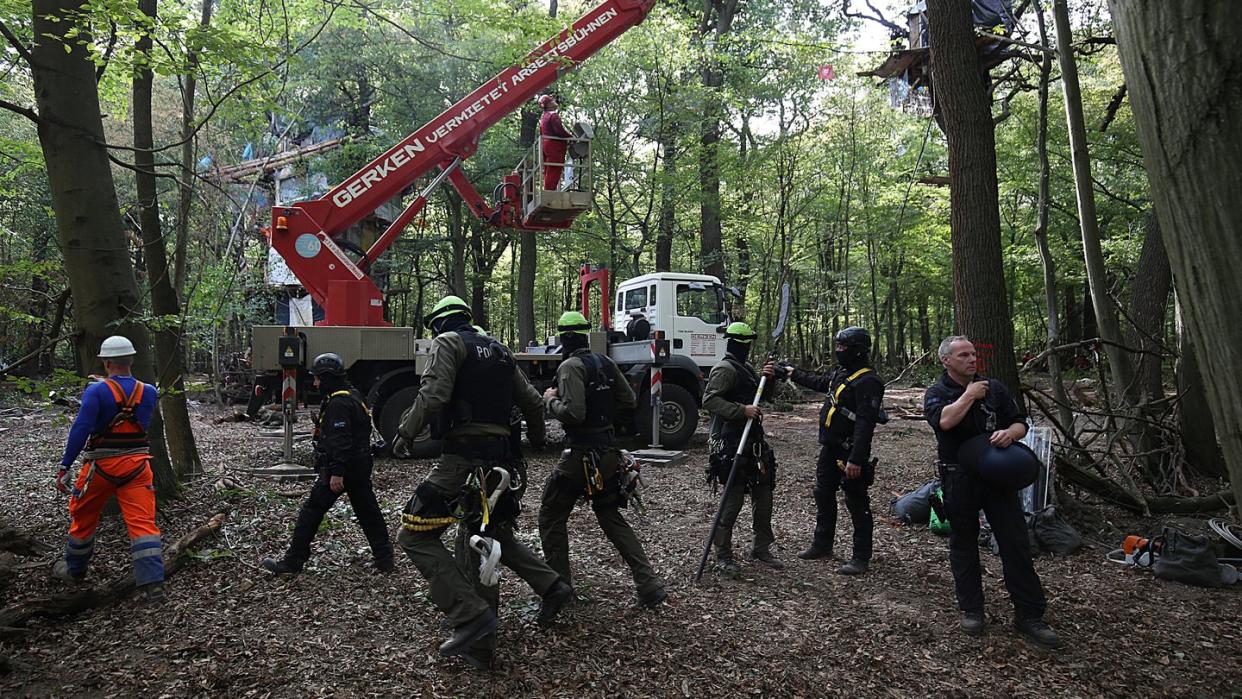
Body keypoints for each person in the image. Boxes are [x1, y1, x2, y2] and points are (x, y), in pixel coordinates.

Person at [393, 295, 573, 668]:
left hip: (460, 461)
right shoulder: (502, 352)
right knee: (493, 536)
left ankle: (474, 624)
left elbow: (434, 394)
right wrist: (537, 441)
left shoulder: (448, 343)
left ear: (440, 323)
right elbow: (533, 404)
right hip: (501, 462)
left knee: (416, 535)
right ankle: (551, 585)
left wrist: (406, 432)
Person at [923, 335, 1062, 649]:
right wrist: (969, 395)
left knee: (1015, 542)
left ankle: (1029, 615)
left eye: (973, 354)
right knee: (964, 543)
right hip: (959, 478)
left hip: (997, 477)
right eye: (963, 355)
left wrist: (1010, 434)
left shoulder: (995, 388)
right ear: (946, 360)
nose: (972, 360)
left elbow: (1020, 422)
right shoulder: (938, 393)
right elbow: (944, 422)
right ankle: (972, 610)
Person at [538, 311, 666, 609]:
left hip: (580, 456)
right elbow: (629, 400)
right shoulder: (605, 363)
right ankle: (648, 583)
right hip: (608, 454)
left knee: (551, 515)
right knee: (609, 514)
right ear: (585, 335)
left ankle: (559, 588)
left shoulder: (570, 367)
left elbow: (573, 414)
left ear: (563, 337)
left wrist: (550, 400)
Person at [52, 335, 164, 602]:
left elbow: (81, 429)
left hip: (100, 467)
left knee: (83, 516)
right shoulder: (148, 391)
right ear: (132, 359)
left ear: (105, 363)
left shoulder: (96, 391)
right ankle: (152, 585)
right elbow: (140, 422)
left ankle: (75, 569)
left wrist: (65, 464)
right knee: (143, 524)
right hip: (137, 466)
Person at [262, 353, 393, 575]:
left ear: (328, 378)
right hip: (360, 466)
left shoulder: (340, 404)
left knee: (311, 512)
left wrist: (337, 473)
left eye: (318, 379)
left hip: (344, 469)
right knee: (368, 512)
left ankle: (292, 562)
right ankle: (385, 559)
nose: (315, 383)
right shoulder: (353, 395)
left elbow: (342, 441)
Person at [776, 327, 884, 575]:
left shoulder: (869, 381)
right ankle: (822, 544)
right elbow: (820, 382)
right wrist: (792, 373)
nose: (838, 352)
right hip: (830, 448)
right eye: (837, 347)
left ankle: (860, 556)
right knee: (822, 493)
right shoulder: (842, 373)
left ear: (857, 350)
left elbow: (866, 425)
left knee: (856, 502)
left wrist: (857, 459)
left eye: (843, 348)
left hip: (850, 452)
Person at [702, 322, 783, 573]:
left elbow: (764, 397)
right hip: (730, 444)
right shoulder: (724, 369)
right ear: (734, 343)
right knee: (732, 500)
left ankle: (761, 548)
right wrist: (741, 410)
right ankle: (723, 554)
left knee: (763, 495)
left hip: (754, 443)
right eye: (743, 343)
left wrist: (768, 380)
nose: (746, 348)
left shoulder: (746, 369)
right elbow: (710, 399)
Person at [538, 94, 571, 191]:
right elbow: (559, 131)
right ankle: (549, 191)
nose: (554, 102)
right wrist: (571, 137)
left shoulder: (543, 117)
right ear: (548, 105)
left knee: (548, 169)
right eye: (552, 101)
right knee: (555, 169)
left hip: (546, 145)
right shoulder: (553, 115)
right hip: (555, 146)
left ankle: (547, 190)